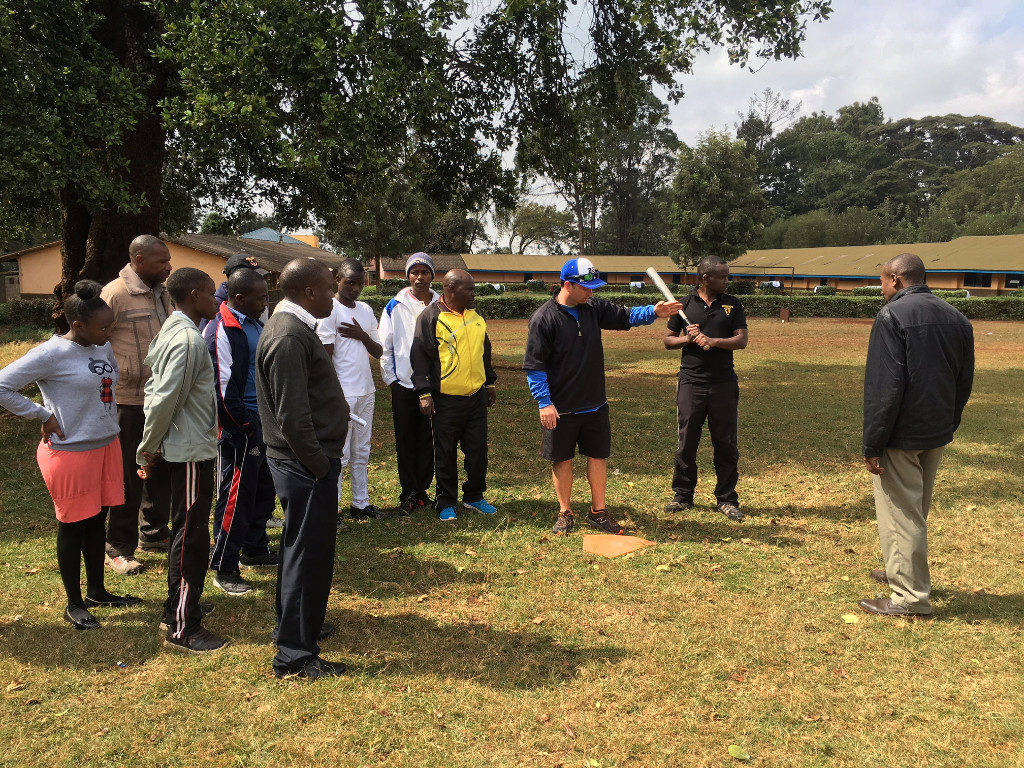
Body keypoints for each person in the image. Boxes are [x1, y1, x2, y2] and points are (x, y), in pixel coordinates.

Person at [0, 281, 141, 630]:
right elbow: (2, 385)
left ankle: (97, 591)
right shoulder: (50, 354)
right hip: (70, 452)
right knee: (73, 526)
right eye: (103, 327)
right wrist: (42, 414)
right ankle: (74, 603)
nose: (109, 333)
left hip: (106, 445)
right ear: (76, 325)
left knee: (97, 522)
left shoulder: (101, 346)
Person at [523, 257, 682, 535]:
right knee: (562, 459)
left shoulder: (593, 308)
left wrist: (655, 312)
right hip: (561, 407)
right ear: (568, 285)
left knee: (597, 456)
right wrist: (544, 402)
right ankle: (565, 512)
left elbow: (625, 316)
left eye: (594, 288)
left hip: (595, 403)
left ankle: (598, 512)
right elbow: (535, 367)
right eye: (586, 288)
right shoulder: (543, 318)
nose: (592, 293)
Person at [859, 253, 974, 617]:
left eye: (881, 281)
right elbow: (964, 380)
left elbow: (886, 387)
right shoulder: (956, 316)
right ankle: (902, 569)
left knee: (901, 511)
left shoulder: (891, 315)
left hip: (902, 434)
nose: (881, 289)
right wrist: (950, 421)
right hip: (936, 429)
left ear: (894, 279)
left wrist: (873, 442)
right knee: (914, 508)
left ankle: (909, 597)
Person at [257, 257, 349, 679]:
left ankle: (297, 624)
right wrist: (317, 464)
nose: (335, 294)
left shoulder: (293, 328)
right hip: (304, 464)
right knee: (305, 555)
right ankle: (294, 655)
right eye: (330, 288)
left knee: (303, 550)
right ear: (309, 291)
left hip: (305, 462)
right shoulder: (289, 336)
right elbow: (292, 416)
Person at [137, 267, 225, 652]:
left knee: (185, 528)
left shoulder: (172, 328)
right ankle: (182, 625)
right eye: (210, 293)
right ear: (193, 295)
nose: (216, 299)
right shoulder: (189, 340)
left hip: (186, 444)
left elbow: (155, 386)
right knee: (191, 535)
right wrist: (147, 447)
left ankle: (178, 602)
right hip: (188, 450)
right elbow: (163, 398)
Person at [100, 234, 174, 574]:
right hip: (127, 401)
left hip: (160, 399)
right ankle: (118, 547)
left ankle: (154, 532)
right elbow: (96, 342)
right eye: (161, 261)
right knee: (128, 476)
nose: (168, 266)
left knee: (160, 469)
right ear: (140, 259)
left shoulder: (164, 294)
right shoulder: (115, 294)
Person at [203, 268, 277, 597]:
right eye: (261, 297)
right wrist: (244, 424)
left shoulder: (255, 324)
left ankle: (255, 548)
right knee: (236, 496)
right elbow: (222, 389)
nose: (266, 302)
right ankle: (224, 566)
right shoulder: (221, 329)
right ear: (240, 298)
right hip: (241, 426)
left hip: (264, 420)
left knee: (263, 489)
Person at [662, 256, 749, 521]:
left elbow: (741, 340)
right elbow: (667, 340)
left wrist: (712, 340)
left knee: (725, 443)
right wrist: (688, 338)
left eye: (727, 276)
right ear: (705, 278)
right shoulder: (684, 305)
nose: (726, 281)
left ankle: (726, 499)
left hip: (723, 383)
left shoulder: (732, 304)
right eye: (721, 277)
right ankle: (683, 495)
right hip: (691, 383)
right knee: (687, 441)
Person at [411, 269, 497, 521]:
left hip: (476, 398)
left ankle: (474, 496)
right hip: (445, 400)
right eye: (468, 289)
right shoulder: (430, 317)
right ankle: (446, 501)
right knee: (445, 453)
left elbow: (485, 349)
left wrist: (489, 383)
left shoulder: (475, 314)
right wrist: (424, 392)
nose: (473, 293)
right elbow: (419, 357)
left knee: (478, 451)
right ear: (450, 289)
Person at [317, 258, 384, 527]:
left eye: (359, 283)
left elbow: (378, 351)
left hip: (367, 390)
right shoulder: (329, 310)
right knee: (340, 454)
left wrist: (361, 334)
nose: (355, 288)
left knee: (362, 450)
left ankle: (361, 503)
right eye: (350, 282)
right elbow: (325, 357)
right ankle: (331, 509)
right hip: (342, 393)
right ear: (337, 280)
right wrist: (333, 396)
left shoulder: (366, 310)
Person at [379, 252, 439, 515]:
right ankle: (408, 492)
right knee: (406, 439)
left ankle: (423, 490)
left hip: (435, 385)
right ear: (407, 276)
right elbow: (386, 346)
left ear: (431, 276)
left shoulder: (442, 303)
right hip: (403, 384)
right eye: (414, 272)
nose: (419, 277)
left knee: (429, 439)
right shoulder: (395, 305)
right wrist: (391, 379)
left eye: (424, 272)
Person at [198, 253, 271, 333]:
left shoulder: (260, 299)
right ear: (237, 276)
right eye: (251, 276)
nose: (264, 303)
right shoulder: (215, 305)